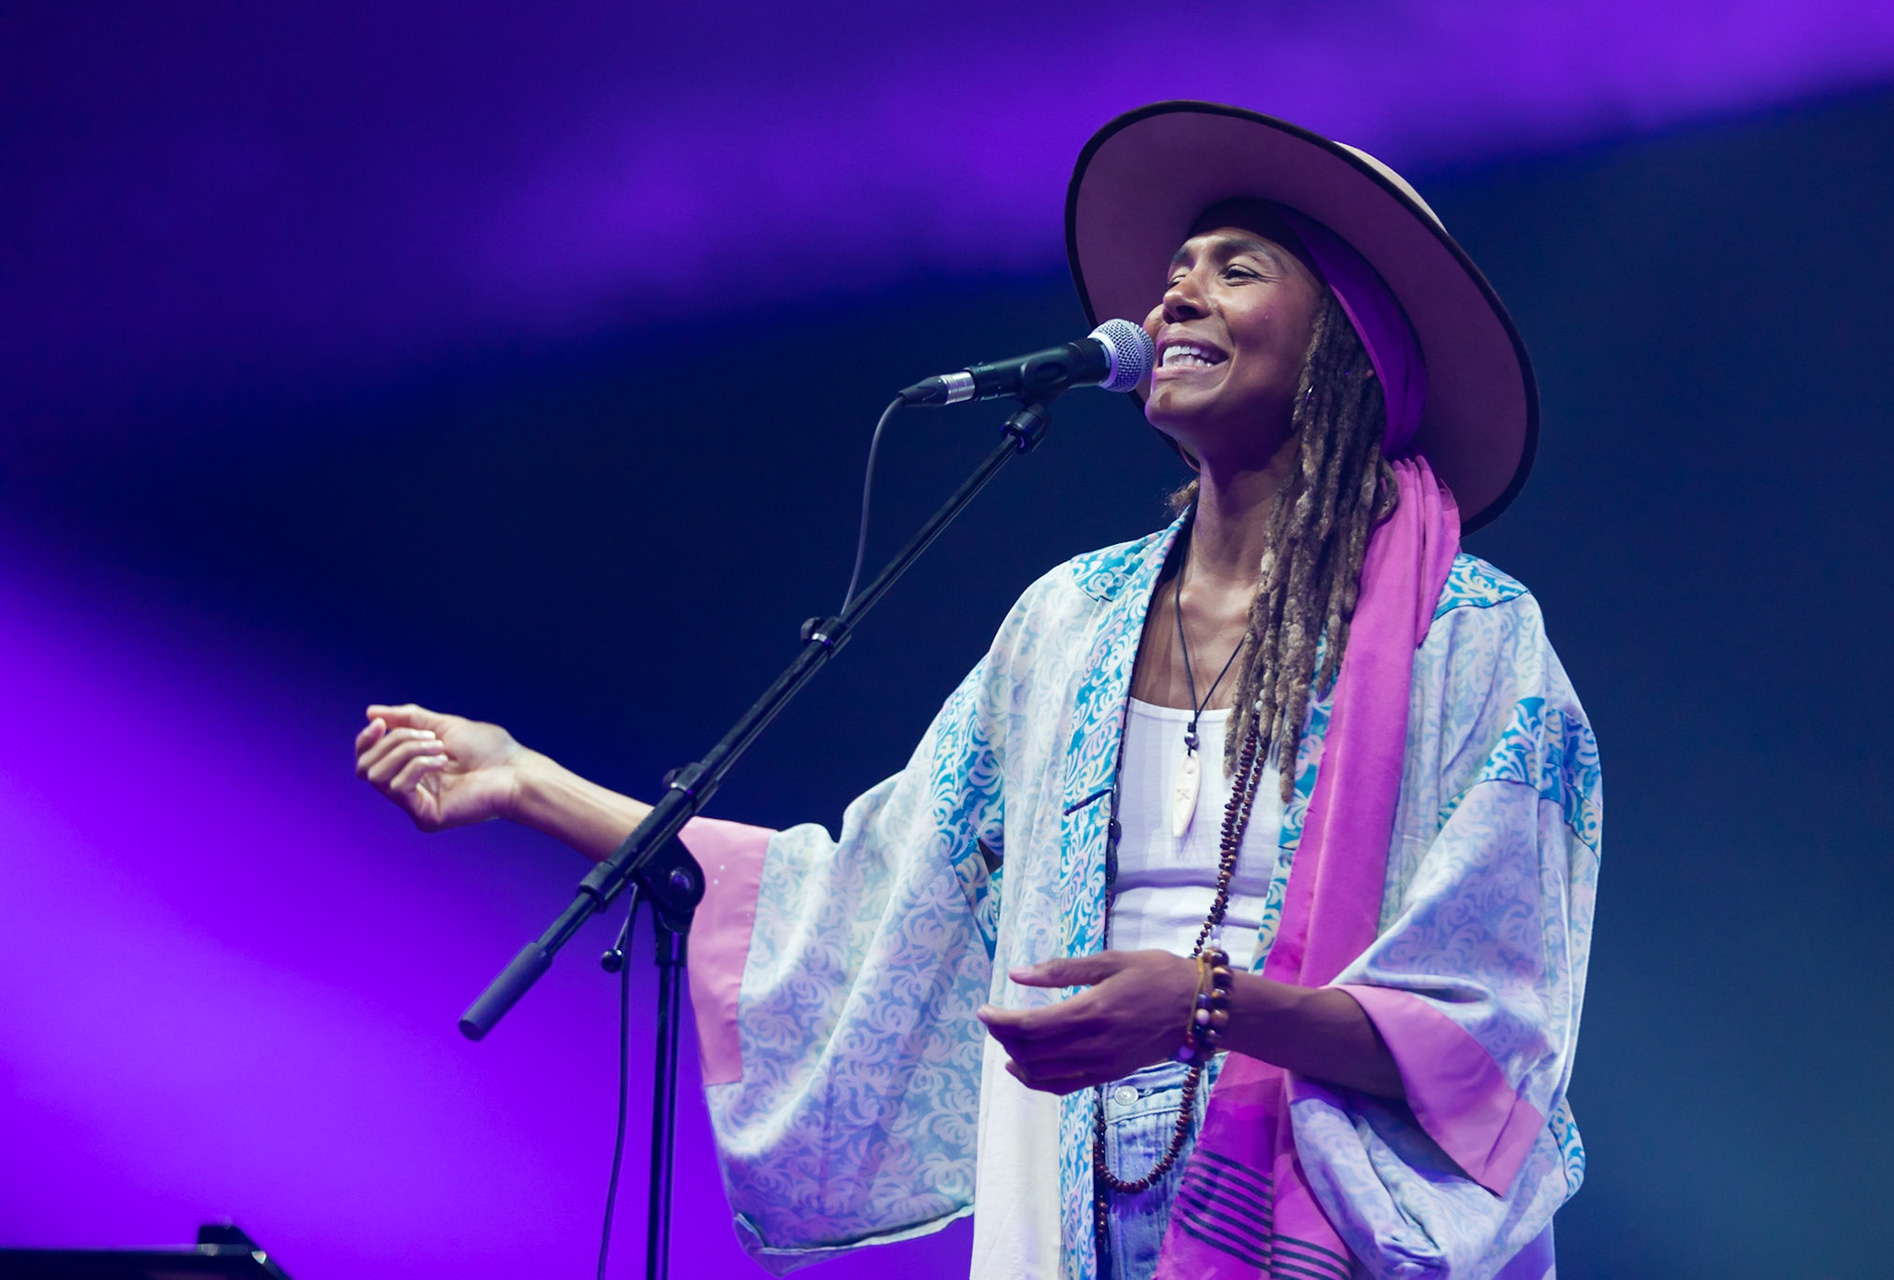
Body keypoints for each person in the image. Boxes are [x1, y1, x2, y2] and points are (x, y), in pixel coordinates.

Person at [354, 102, 1599, 1280]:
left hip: (1321, 1219)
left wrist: (1212, 1005)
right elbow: (850, 897)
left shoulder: (1468, 636)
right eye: (1175, 267)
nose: (1173, 294)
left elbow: (1495, 1018)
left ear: (1348, 339)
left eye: (1235, 268)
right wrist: (531, 784)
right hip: (1079, 1199)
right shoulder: (1069, 624)